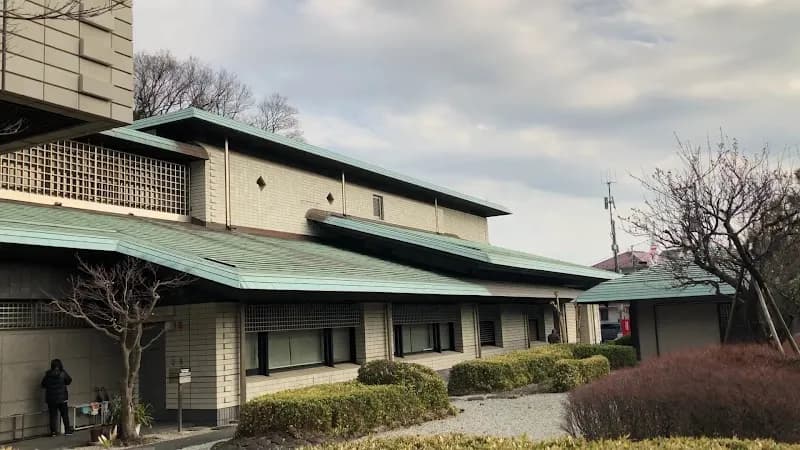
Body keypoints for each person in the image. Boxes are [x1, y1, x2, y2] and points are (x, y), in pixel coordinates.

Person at [41, 359, 73, 436]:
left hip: (51, 399)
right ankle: (67, 430)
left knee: (53, 415)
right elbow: (69, 381)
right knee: (64, 415)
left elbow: (43, 384)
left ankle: (53, 432)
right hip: (62, 398)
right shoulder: (63, 373)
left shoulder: (48, 375)